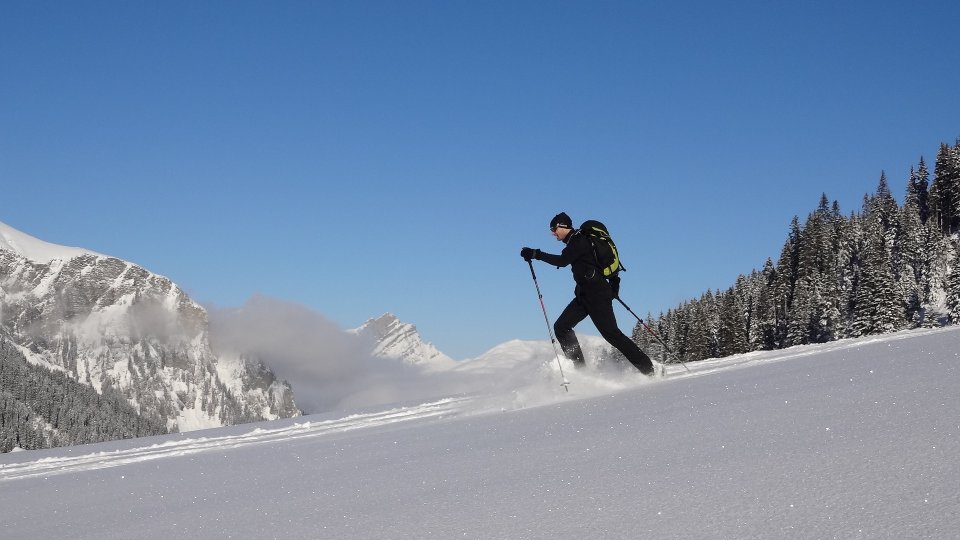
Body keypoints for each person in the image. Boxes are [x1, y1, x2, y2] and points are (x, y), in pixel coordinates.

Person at [521, 212, 657, 376]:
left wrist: (536, 254)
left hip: (597, 295)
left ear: (563, 226)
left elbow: (562, 262)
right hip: (584, 295)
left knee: (612, 335)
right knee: (561, 327)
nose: (552, 233)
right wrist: (614, 285)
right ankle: (581, 371)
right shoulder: (576, 241)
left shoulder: (579, 241)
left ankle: (648, 369)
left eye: (554, 228)